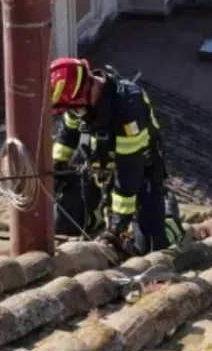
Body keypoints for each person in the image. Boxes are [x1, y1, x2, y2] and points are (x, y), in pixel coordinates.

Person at [49, 57, 183, 256]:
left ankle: (170, 220)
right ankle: (96, 216)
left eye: (75, 108)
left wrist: (118, 225)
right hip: (97, 169)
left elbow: (129, 170)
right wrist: (57, 166)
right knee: (61, 223)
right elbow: (67, 134)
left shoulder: (128, 106)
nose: (75, 113)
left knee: (148, 247)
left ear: (89, 88)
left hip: (140, 172)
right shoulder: (77, 102)